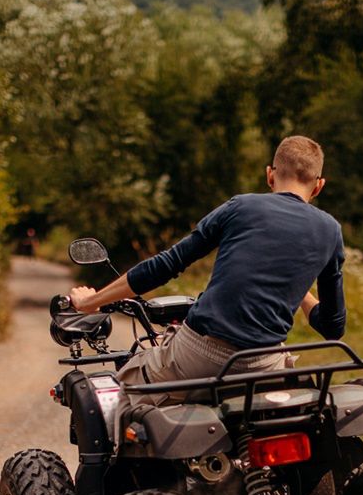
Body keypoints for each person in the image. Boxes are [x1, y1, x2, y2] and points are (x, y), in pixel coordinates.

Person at [68, 135, 347, 404]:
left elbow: (167, 265)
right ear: (319, 185)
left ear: (270, 175)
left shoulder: (241, 207)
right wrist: (297, 289)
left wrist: (90, 302)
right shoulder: (330, 231)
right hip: (264, 364)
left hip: (201, 355)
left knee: (125, 388)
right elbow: (333, 328)